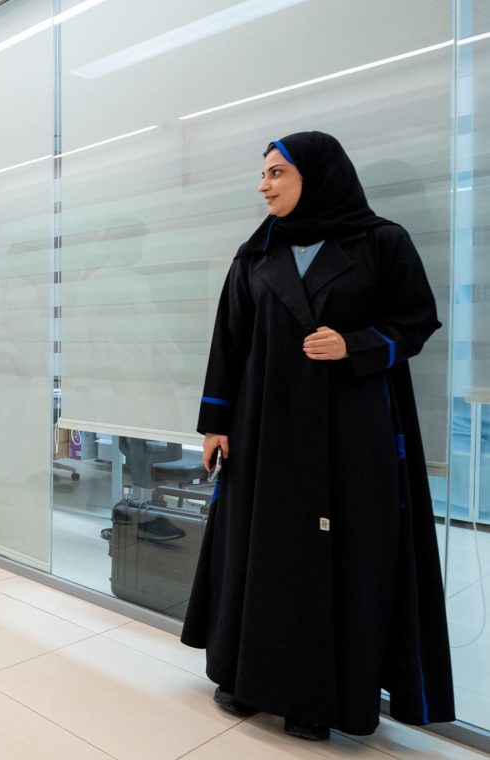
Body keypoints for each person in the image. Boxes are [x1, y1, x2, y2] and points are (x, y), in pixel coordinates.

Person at [180, 132, 454, 740]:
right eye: (264, 174)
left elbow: (416, 321)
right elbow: (229, 341)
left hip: (348, 432)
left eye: (277, 173)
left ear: (318, 176)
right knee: (257, 549)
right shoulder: (257, 253)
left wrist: (355, 345)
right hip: (262, 428)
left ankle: (318, 699)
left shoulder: (381, 242)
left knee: (335, 558)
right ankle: (245, 676)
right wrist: (216, 423)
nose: (264, 186)